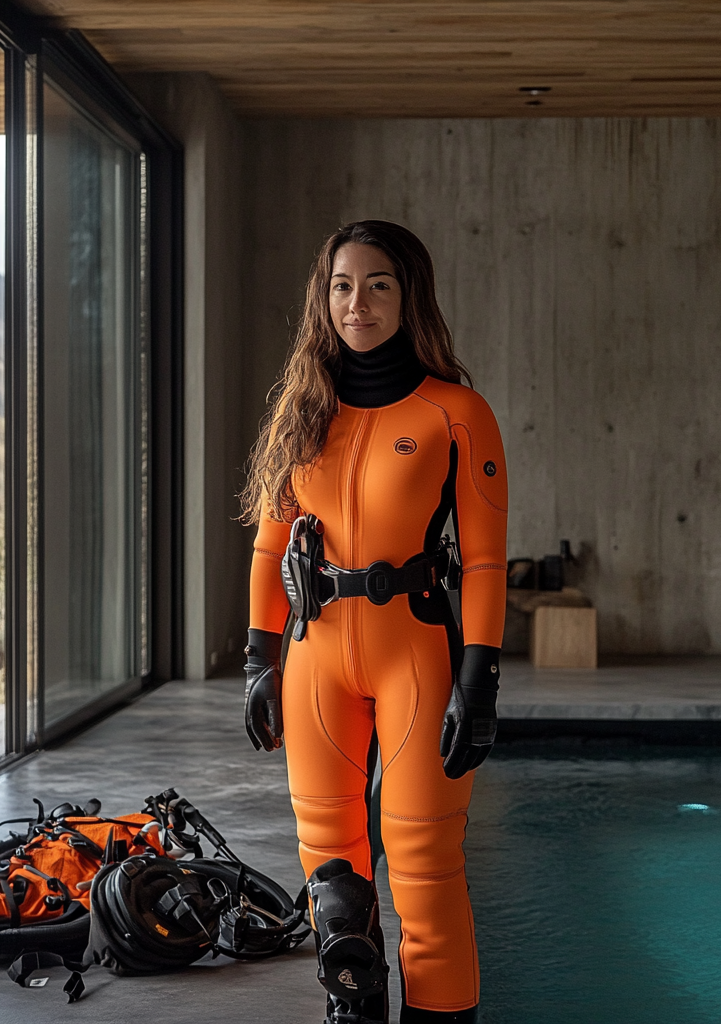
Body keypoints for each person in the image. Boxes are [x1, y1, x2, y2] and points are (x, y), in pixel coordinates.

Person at [240, 220, 507, 1024]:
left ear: (409, 295)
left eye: (378, 284)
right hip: (315, 657)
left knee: (424, 864)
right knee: (332, 875)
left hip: (416, 654)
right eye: (342, 286)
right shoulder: (302, 412)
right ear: (325, 300)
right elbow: (270, 542)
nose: (358, 303)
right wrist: (259, 660)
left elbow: (488, 559)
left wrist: (481, 676)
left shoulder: (455, 413)